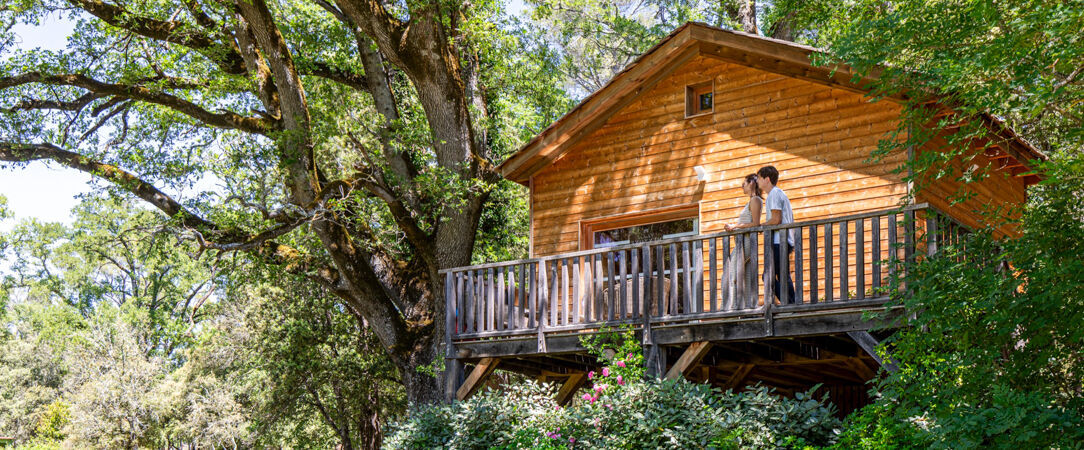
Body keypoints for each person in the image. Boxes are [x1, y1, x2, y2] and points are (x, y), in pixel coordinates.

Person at [757, 165, 796, 304]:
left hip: (780, 241)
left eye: (759, 178)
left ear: (767, 179)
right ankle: (792, 303)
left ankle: (790, 303)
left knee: (768, 276)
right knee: (783, 275)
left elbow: (776, 219)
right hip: (785, 240)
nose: (758, 181)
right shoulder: (778, 193)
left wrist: (761, 226)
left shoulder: (773, 194)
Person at [723, 174, 762, 309]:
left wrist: (735, 226)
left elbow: (756, 224)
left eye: (743, 184)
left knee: (731, 272)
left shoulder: (755, 200)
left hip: (746, 243)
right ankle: (745, 306)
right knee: (744, 275)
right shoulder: (751, 201)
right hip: (742, 242)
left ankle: (732, 306)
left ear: (751, 183)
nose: (742, 186)